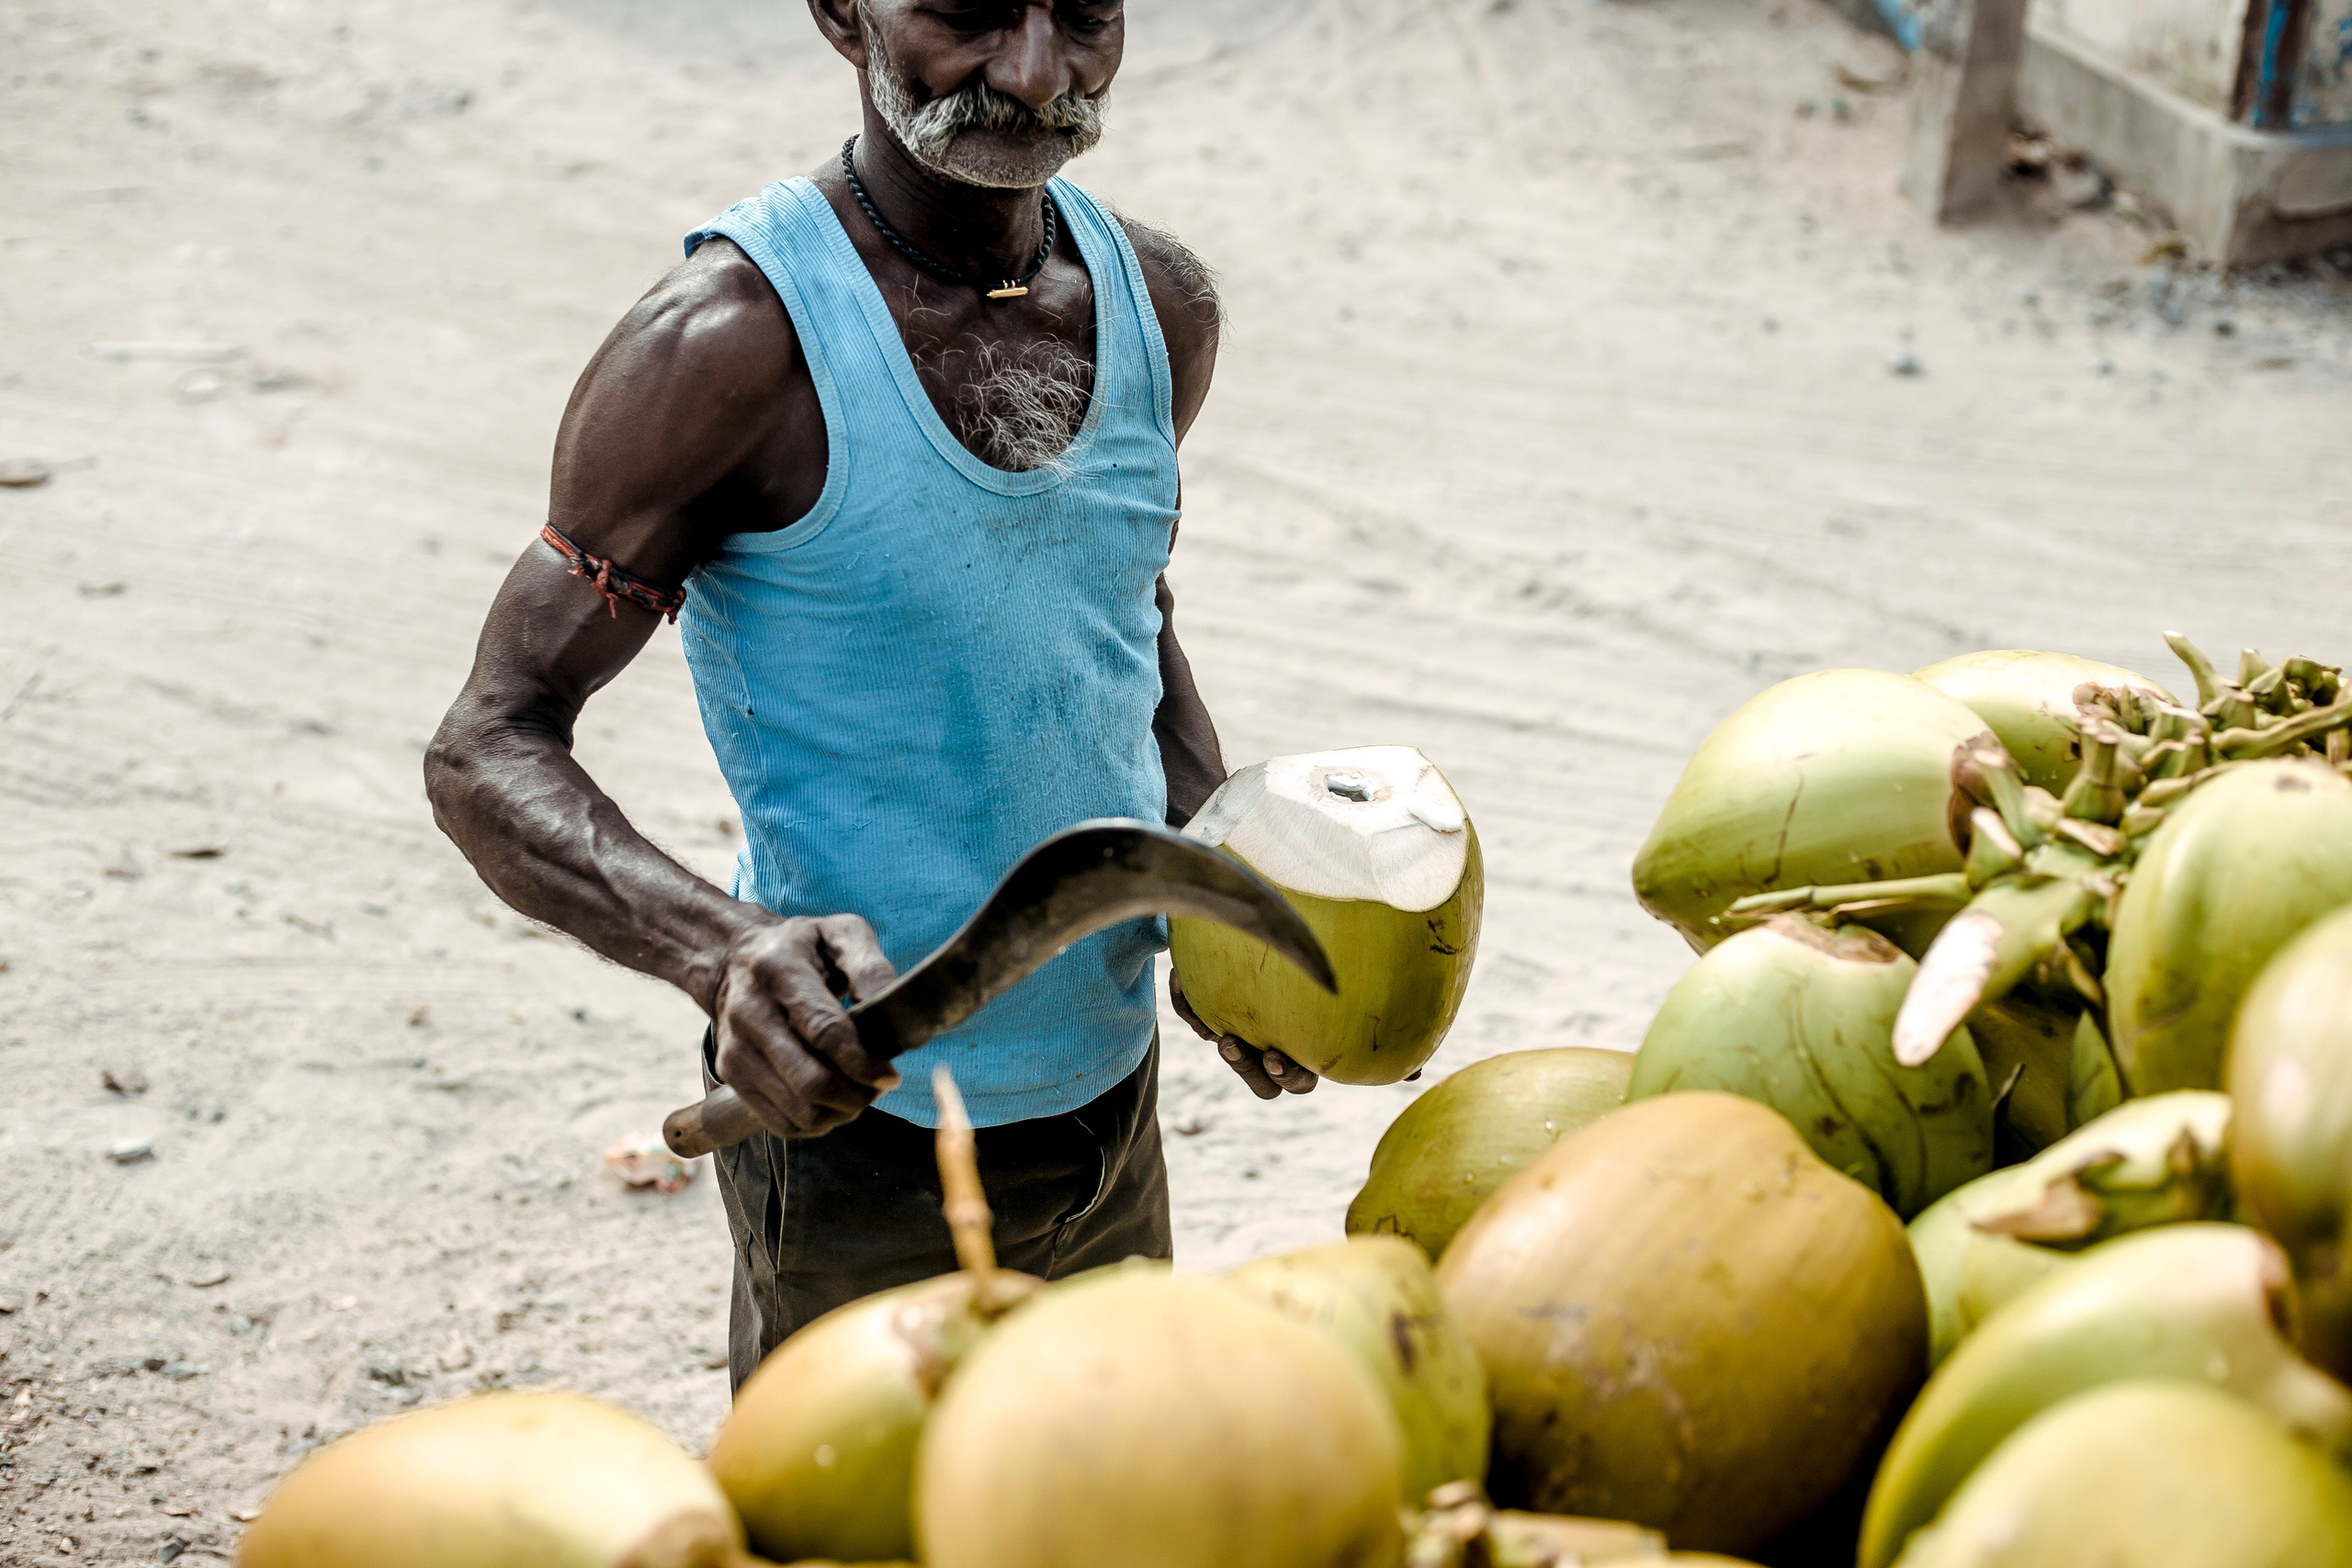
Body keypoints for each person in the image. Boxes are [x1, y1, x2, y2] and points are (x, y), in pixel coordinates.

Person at [424, 0, 1315, 1389]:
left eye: (1083, 15)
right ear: (844, 10)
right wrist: (722, 955)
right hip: (859, 1123)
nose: (1034, 76)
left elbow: (1117, 620)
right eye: (964, 12)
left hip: (1108, 1087)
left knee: (1098, 1495)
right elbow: (488, 745)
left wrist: (1216, 889)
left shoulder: (1158, 307)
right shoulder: (730, 349)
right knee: (853, 1524)